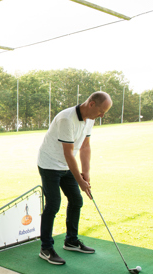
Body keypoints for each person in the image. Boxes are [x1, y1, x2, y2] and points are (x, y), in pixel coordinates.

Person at [37, 91, 112, 265]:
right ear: (92, 104)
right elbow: (68, 153)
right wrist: (80, 181)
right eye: (102, 111)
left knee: (76, 201)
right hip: (49, 164)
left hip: (65, 165)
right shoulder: (66, 118)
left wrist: (86, 173)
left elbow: (85, 147)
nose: (102, 116)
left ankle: (71, 240)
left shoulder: (90, 119)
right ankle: (45, 248)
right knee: (53, 204)